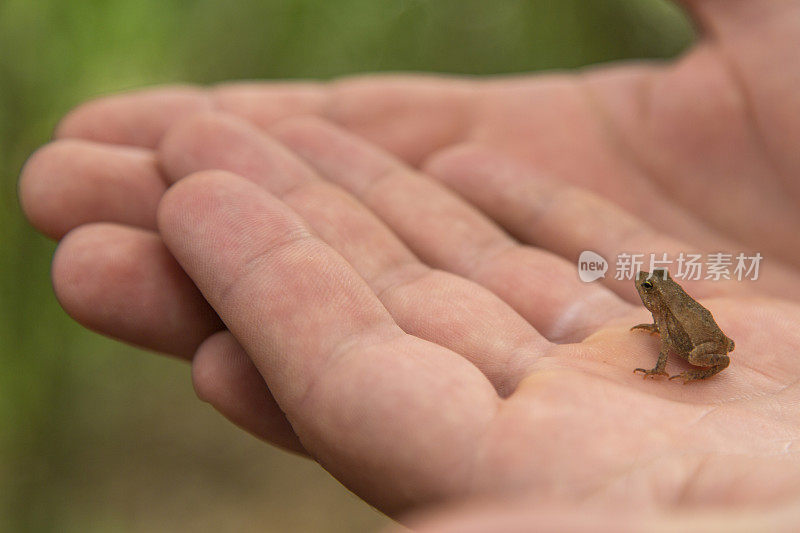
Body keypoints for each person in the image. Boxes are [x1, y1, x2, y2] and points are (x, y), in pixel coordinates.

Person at [18, 1, 800, 530]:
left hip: (713, 349)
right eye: (653, 288)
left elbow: (676, 340)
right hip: (717, 332)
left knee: (702, 345)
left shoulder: (670, 322)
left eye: (653, 288)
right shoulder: (662, 304)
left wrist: (677, 368)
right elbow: (664, 321)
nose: (650, 292)